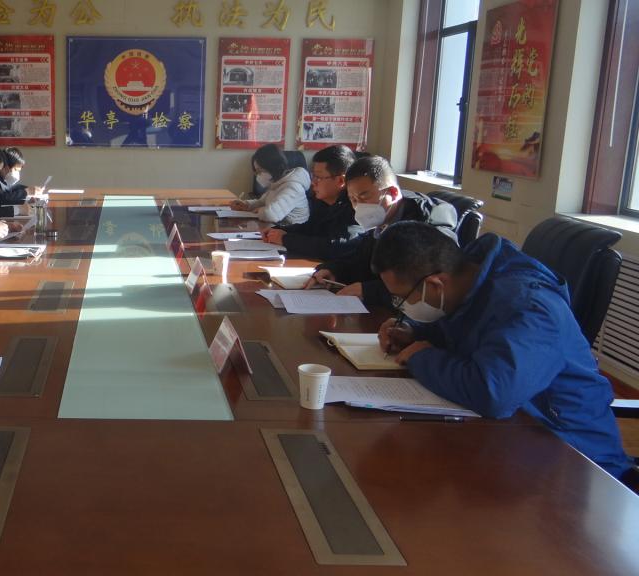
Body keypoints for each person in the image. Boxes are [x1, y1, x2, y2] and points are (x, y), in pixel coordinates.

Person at [372, 222, 633, 480]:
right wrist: (415, 332)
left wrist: (421, 358)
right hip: (515, 440)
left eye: (402, 298)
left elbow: (493, 394)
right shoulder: (469, 281)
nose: (401, 306)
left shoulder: (528, 306)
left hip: (576, 461)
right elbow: (461, 332)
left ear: (436, 285)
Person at [306, 155, 457, 306]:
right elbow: (362, 261)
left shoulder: (429, 219)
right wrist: (334, 270)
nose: (358, 207)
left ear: (393, 193)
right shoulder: (380, 220)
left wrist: (369, 291)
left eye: (364, 197)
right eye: (353, 200)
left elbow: (427, 281)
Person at [263, 144, 362, 260]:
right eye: (313, 176)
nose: (313, 182)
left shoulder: (356, 206)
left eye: (318, 177)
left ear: (341, 181)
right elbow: (310, 229)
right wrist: (279, 230)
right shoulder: (322, 202)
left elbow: (336, 246)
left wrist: (285, 239)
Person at [229, 144, 311, 226]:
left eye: (259, 171)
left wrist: (259, 210)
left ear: (273, 167)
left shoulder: (293, 187)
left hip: (292, 231)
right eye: (256, 172)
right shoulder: (276, 183)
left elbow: (271, 215)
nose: (258, 175)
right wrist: (246, 205)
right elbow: (262, 202)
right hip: (277, 227)